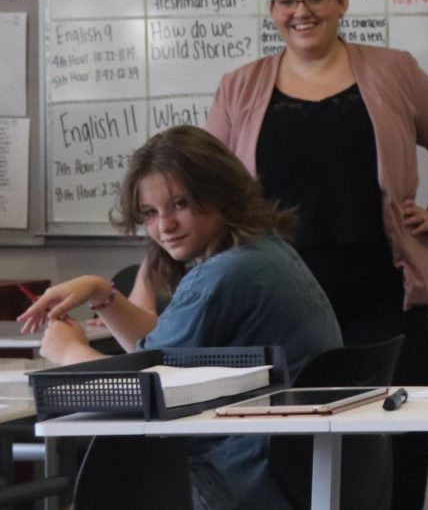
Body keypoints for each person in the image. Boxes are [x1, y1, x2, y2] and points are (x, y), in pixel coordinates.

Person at [205, 0, 428, 510]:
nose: (301, 11)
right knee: (283, 455)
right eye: (287, 0)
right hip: (275, 311)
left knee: (401, 447)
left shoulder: (392, 70)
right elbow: (210, 187)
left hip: (382, 301)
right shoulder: (240, 87)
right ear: (272, 9)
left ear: (340, 3)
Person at [17, 126, 341, 510]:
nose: (164, 226)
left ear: (221, 192)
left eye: (181, 204)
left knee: (98, 490)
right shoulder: (267, 253)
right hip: (285, 478)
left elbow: (142, 389)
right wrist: (102, 293)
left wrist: (70, 352)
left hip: (231, 483)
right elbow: (161, 355)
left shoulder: (221, 276)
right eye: (150, 213)